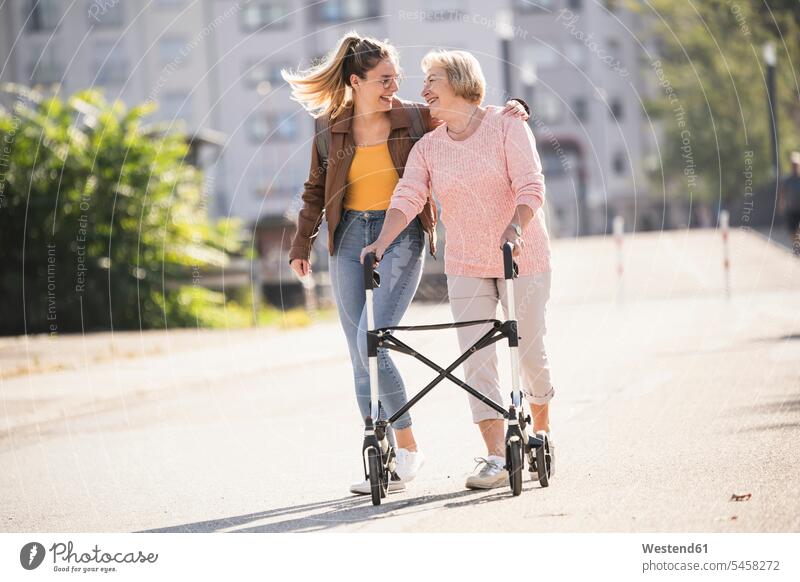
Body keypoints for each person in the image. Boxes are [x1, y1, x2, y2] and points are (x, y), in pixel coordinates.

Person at [283, 33, 530, 495]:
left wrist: (516, 106)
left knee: (370, 339)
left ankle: (410, 448)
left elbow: (471, 112)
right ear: (356, 82)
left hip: (399, 233)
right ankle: (387, 456)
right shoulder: (329, 127)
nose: (395, 87)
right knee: (358, 353)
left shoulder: (416, 117)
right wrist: (302, 244)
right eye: (384, 80)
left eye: (396, 78)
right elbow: (315, 189)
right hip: (348, 235)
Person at [361, 49, 556, 490]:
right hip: (466, 261)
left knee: (529, 351)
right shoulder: (429, 146)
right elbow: (408, 196)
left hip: (519, 256)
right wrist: (380, 242)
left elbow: (531, 185)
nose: (424, 88)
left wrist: (515, 227)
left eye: (433, 79)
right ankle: (495, 455)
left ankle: (540, 431)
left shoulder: (507, 126)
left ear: (461, 82)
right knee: (477, 357)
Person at [778, 151, 800, 255]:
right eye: (793, 164)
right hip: (791, 209)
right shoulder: (787, 180)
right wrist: (781, 205)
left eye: (796, 164)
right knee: (792, 231)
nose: (794, 166)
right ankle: (796, 246)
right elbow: (783, 194)